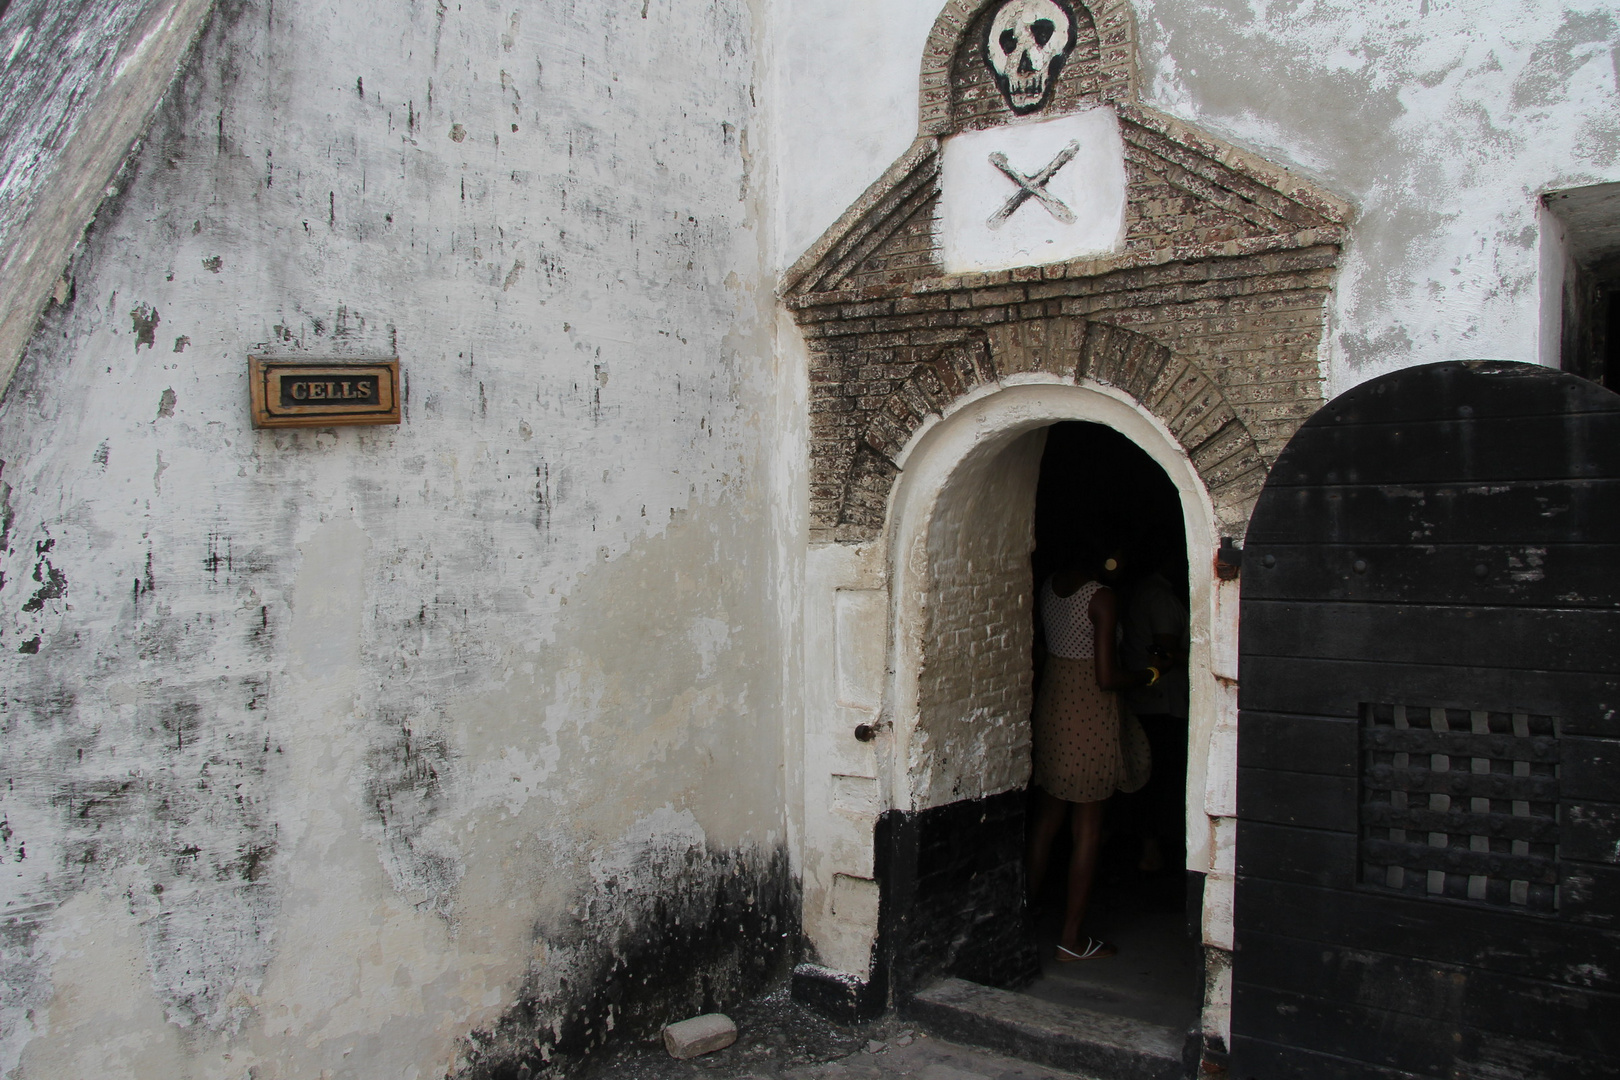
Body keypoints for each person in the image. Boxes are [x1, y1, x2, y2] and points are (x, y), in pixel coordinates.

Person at [1026, 549, 1162, 962]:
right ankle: (1071, 939)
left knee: (1047, 822)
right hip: (1089, 710)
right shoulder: (1100, 597)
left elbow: (1045, 649)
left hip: (1055, 702)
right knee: (1087, 830)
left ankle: (1021, 920)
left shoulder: (1050, 585)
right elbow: (1106, 676)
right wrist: (1151, 673)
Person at [1121, 556, 1190, 875]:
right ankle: (1155, 852)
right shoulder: (1160, 597)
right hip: (1162, 700)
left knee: (1148, 778)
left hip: (1150, 699)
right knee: (1160, 779)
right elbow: (1164, 651)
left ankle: (1148, 850)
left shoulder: (1143, 592)